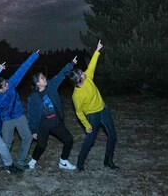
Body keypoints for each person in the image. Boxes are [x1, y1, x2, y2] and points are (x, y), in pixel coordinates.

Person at [69, 39, 118, 171]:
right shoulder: (76, 95)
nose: (84, 73)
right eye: (81, 75)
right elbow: (79, 112)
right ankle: (80, 163)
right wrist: (87, 125)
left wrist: (97, 51)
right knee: (90, 141)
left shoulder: (88, 77)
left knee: (113, 136)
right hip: (92, 115)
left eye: (82, 72)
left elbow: (92, 65)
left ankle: (108, 160)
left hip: (103, 109)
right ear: (78, 81)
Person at [26, 55, 78, 171]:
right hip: (43, 125)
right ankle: (32, 161)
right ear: (37, 84)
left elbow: (61, 74)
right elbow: (32, 115)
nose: (44, 78)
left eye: (43, 77)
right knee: (41, 145)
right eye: (41, 78)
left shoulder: (51, 86)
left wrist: (71, 64)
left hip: (55, 121)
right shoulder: (33, 98)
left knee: (69, 139)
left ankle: (63, 161)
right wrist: (34, 130)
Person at [0, 49, 39, 170]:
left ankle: (21, 160)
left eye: (5, 82)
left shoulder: (10, 83)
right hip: (7, 119)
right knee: (7, 141)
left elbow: (22, 70)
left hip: (19, 114)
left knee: (27, 137)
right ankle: (1, 161)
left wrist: (34, 56)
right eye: (4, 85)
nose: (7, 84)